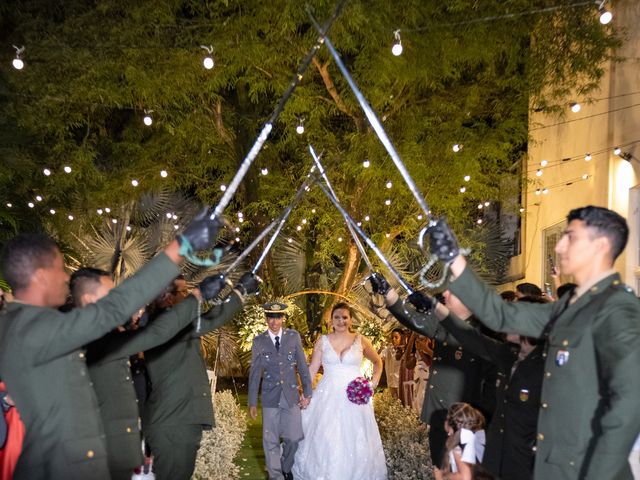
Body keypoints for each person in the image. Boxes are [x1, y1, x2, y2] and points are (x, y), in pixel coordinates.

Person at [0, 212, 221, 480]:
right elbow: (113, 308)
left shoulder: (25, 324)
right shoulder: (31, 329)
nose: (66, 277)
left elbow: (154, 333)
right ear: (41, 276)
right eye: (60, 269)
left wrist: (197, 297)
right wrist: (182, 246)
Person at [425, 206, 640, 479]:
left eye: (570, 237)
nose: (560, 246)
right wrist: (454, 258)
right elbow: (501, 314)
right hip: (550, 466)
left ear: (601, 245)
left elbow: (629, 401)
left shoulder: (618, 308)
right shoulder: (568, 308)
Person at [70, 267, 240, 480]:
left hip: (147, 432)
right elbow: (167, 329)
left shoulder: (114, 335)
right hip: (170, 422)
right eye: (182, 293)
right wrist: (206, 295)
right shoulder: (99, 339)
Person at [143, 272, 257, 480]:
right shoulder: (167, 326)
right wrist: (240, 292)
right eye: (183, 292)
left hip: (178, 421)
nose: (188, 296)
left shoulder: (168, 326)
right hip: (175, 423)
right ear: (166, 297)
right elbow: (213, 318)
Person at [369, 274, 486, 467]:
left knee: (463, 471)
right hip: (439, 414)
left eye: (452, 292)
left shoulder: (481, 331)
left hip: (465, 421)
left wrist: (434, 308)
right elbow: (413, 319)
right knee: (440, 468)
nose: (445, 294)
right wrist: (388, 293)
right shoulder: (443, 325)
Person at [292, 302, 387, 480]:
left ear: (350, 320)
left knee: (355, 437)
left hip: (355, 397)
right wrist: (305, 393)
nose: (341, 321)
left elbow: (378, 362)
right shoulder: (323, 341)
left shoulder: (361, 340)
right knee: (327, 436)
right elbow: (312, 369)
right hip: (327, 395)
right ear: (331, 320)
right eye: (337, 317)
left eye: (345, 317)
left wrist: (372, 384)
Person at [248, 301, 313, 480]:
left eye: (277, 317)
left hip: (291, 395)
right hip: (270, 396)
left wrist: (307, 391)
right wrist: (252, 402)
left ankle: (285, 466)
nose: (274, 322)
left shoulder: (293, 337)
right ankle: (275, 475)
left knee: (293, 437)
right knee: (270, 439)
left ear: (283, 318)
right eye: (270, 317)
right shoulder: (259, 341)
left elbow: (302, 364)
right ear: (266, 319)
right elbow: (255, 374)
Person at [434, 402, 486, 480]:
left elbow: (466, 477)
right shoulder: (476, 437)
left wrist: (444, 475)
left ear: (451, 424)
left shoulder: (458, 446)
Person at [380, 328, 404, 398]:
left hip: (400, 382)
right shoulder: (387, 349)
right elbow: (379, 359)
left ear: (402, 338)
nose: (394, 340)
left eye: (396, 337)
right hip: (390, 382)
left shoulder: (405, 350)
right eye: (392, 338)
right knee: (392, 403)